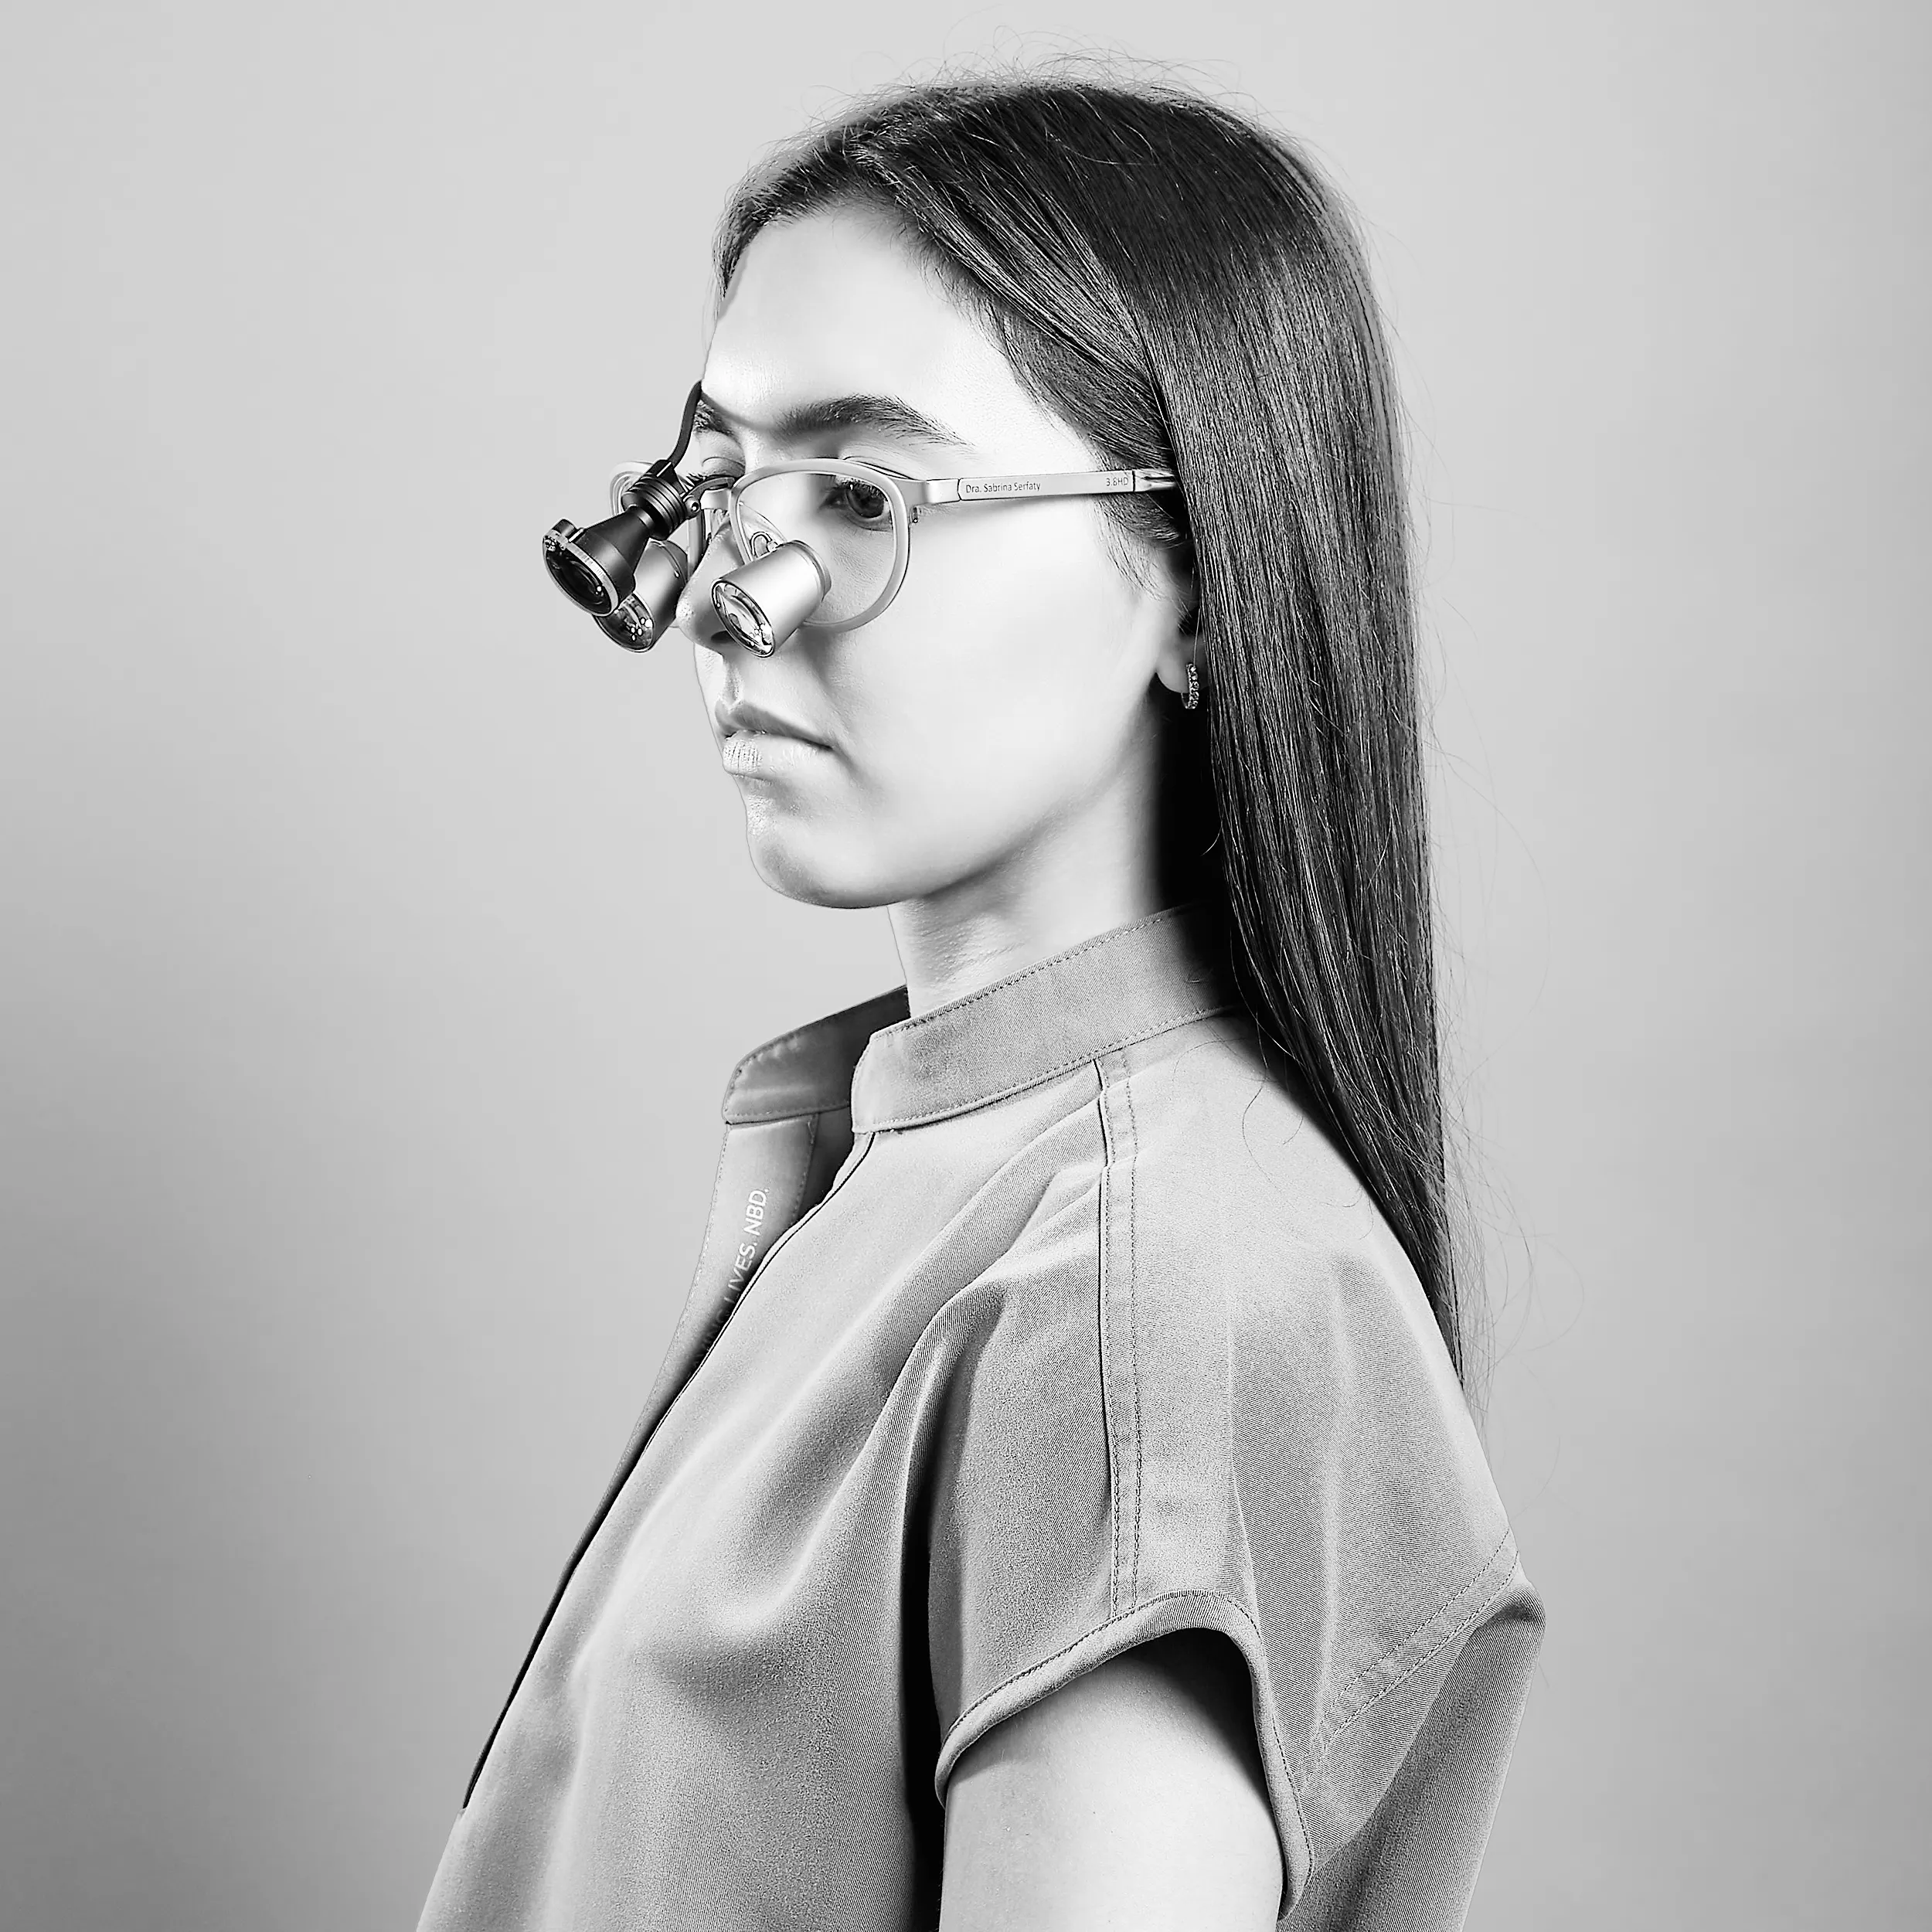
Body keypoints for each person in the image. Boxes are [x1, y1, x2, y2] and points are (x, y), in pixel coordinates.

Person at [418, 69, 1545, 1932]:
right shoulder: (928, 1169)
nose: (724, 598)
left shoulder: (1141, 1299)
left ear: (1192, 581)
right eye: (719, 478)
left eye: (860, 488)